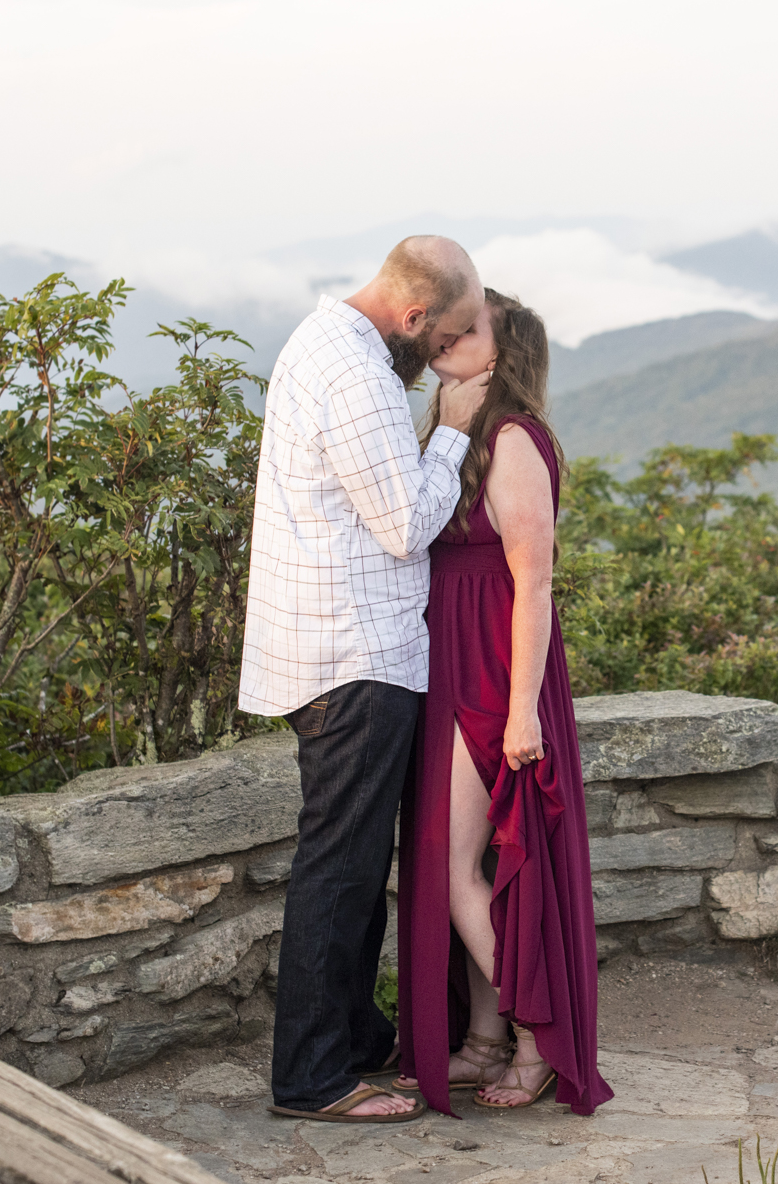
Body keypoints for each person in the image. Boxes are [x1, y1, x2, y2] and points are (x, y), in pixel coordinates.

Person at [239, 236, 490, 1124]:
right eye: (447, 335)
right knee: (339, 869)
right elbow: (405, 523)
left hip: (334, 646)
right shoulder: (358, 377)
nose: (445, 356)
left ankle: (353, 1036)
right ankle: (312, 1078)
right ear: (414, 317)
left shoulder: (325, 343)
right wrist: (455, 428)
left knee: (349, 861)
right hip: (353, 652)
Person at [393, 289, 613, 1116]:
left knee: (455, 867)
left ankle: (535, 1041)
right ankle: (484, 1042)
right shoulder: (464, 437)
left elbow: (535, 583)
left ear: (503, 349)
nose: (448, 335)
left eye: (469, 327)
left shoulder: (515, 440)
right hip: (450, 660)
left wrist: (522, 712)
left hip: (490, 670)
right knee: (472, 865)